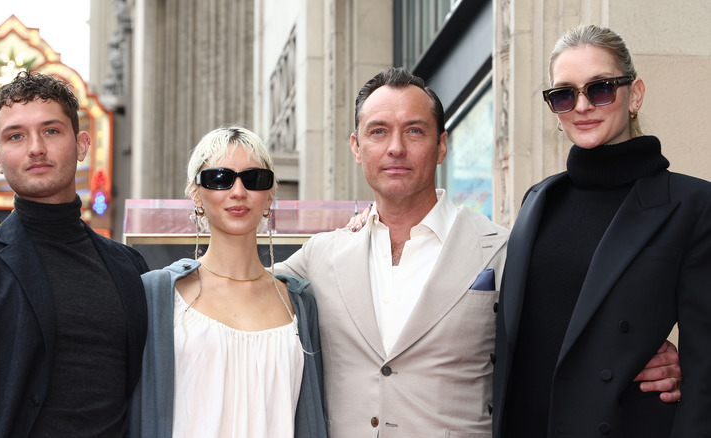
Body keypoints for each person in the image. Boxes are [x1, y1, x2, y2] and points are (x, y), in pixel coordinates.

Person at [278, 67, 682, 437]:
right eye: (378, 131)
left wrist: (645, 355)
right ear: (356, 146)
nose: (396, 148)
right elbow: (238, 289)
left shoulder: (505, 251)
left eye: (415, 131)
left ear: (442, 145)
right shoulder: (320, 255)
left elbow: (571, 336)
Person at [492, 25, 711, 437]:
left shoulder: (692, 205)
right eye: (564, 94)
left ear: (635, 95)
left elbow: (706, 368)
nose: (582, 106)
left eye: (601, 88)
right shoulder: (537, 200)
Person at [0, 71, 149, 437]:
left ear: (81, 144)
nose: (35, 148)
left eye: (51, 131)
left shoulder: (128, 266)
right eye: (16, 136)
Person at [129, 126, 326, 438]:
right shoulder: (156, 295)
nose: (238, 191)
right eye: (220, 178)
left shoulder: (299, 306)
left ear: (270, 195)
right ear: (196, 194)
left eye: (254, 179)